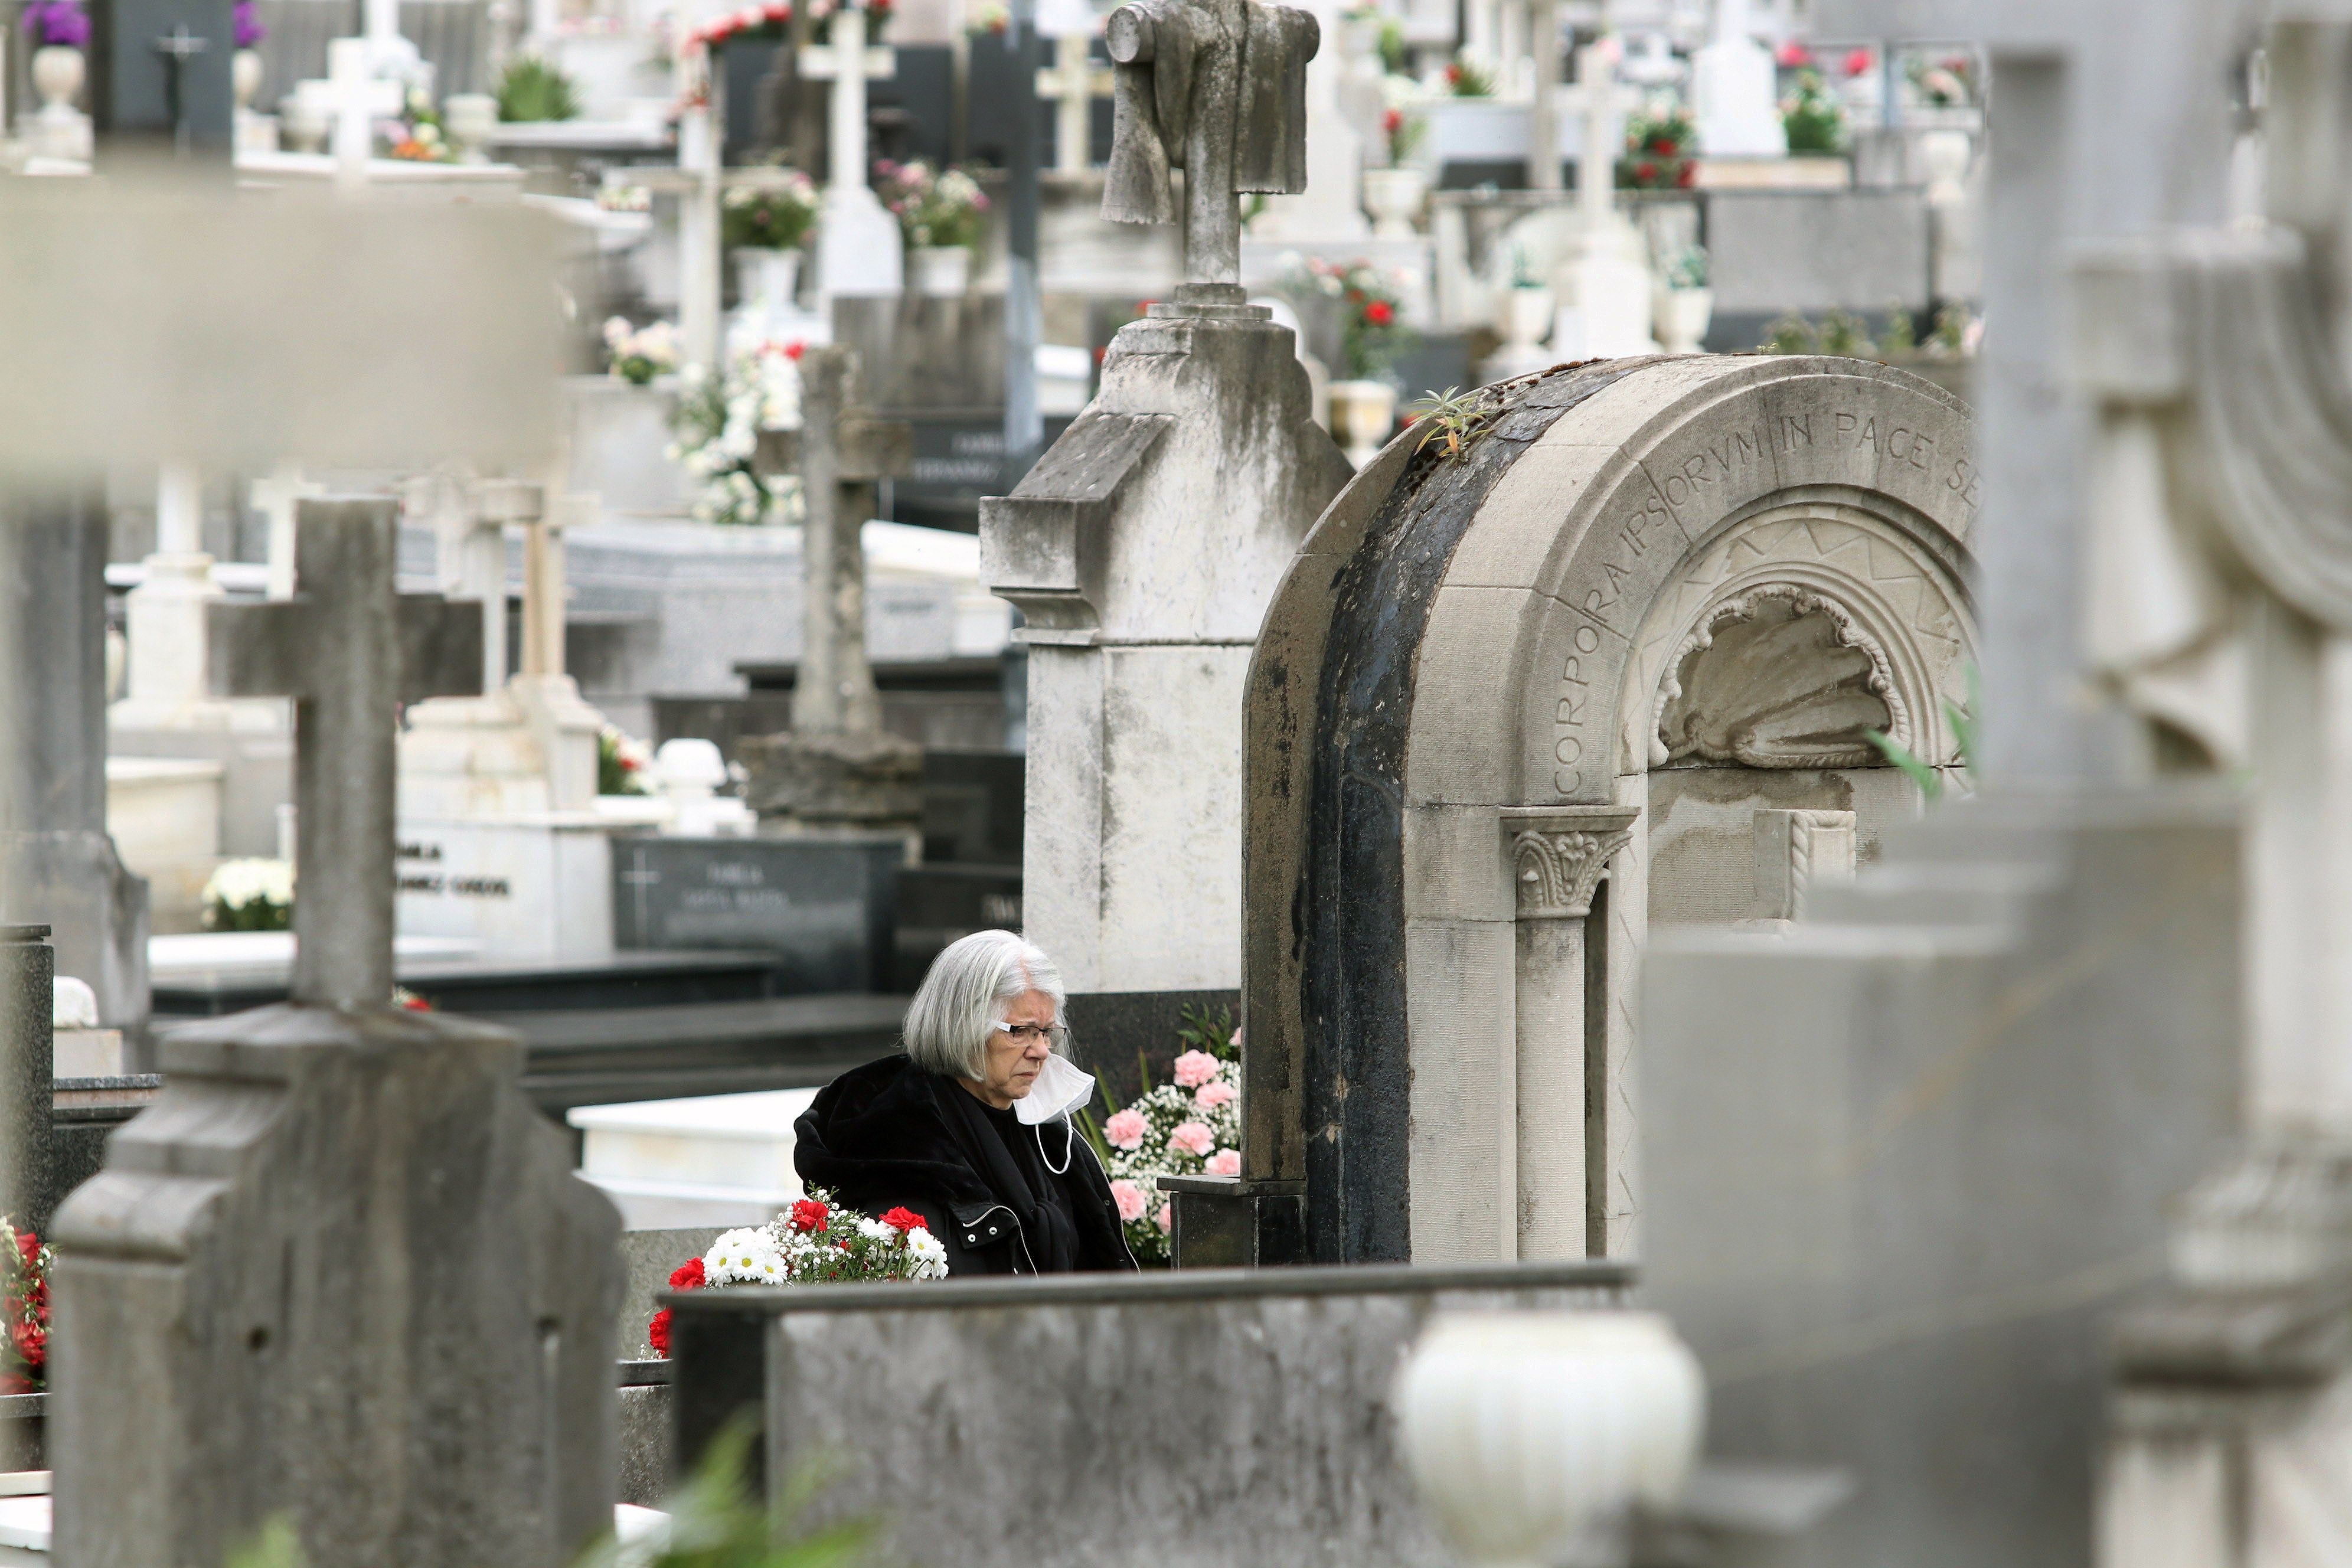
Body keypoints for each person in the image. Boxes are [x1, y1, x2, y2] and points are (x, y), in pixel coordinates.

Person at [794, 929, 1137, 1275]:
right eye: (1020, 1031)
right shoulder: (896, 1143)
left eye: (1047, 1032)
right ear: (964, 1025)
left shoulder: (1049, 1134)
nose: (1042, 1051)